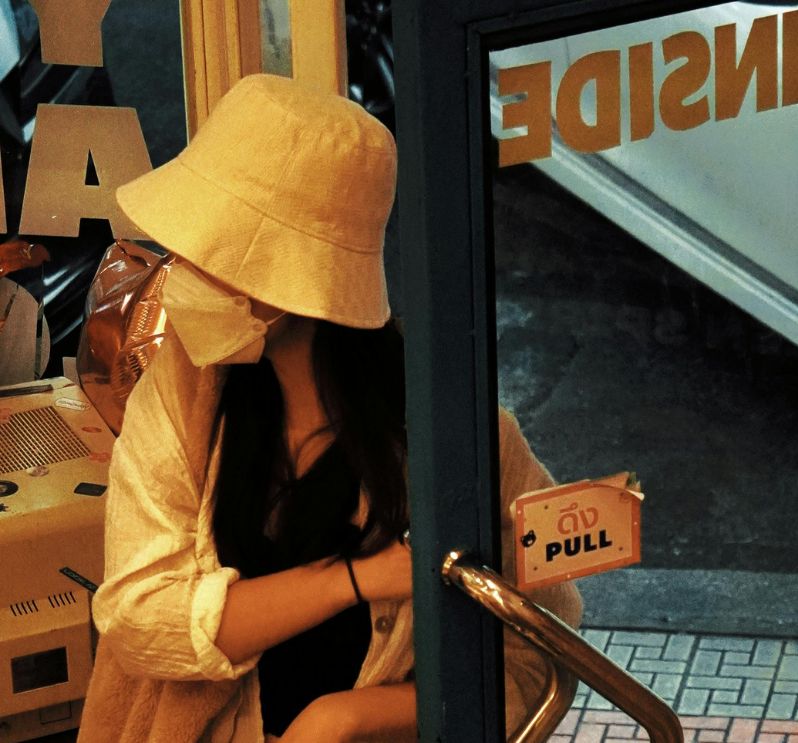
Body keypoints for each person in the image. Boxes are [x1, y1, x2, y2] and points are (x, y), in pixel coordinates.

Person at [77, 73, 581, 742]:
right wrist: (355, 578)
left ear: (295, 282)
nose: (182, 272)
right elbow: (139, 618)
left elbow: (535, 660)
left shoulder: (463, 440)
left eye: (213, 251)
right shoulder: (181, 392)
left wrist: (342, 718)